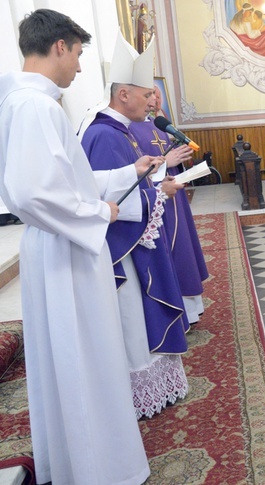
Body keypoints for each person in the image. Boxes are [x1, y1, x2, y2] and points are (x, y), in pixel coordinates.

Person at [0, 9, 154, 484]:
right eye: (80, 53)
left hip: (56, 242)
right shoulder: (37, 105)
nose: (81, 68)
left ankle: (80, 461)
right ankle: (99, 468)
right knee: (85, 357)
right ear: (60, 46)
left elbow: (71, 181)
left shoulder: (23, 100)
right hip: (65, 247)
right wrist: (98, 214)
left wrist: (130, 173)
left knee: (76, 355)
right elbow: (31, 192)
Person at [81, 36, 191, 419]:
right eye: (147, 94)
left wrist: (154, 184)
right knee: (131, 316)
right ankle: (135, 388)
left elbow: (129, 186)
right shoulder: (104, 135)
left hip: (136, 239)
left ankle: (151, 384)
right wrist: (163, 190)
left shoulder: (121, 130)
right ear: (123, 93)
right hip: (123, 251)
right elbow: (109, 201)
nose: (152, 102)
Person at [129, 87, 209, 325]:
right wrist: (167, 163)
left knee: (183, 249)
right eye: (148, 94)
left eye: (154, 94)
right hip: (156, 197)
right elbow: (135, 168)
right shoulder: (129, 128)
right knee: (171, 251)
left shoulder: (157, 123)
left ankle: (191, 309)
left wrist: (178, 158)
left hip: (175, 194)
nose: (153, 99)